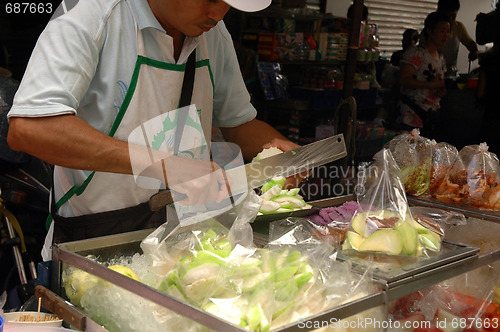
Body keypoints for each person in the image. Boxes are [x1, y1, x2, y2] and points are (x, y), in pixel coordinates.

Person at [6, 0, 303, 260]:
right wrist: (167, 167)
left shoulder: (214, 34)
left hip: (186, 241)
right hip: (93, 239)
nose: (218, 12)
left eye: (228, 2)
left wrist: (274, 147)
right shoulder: (93, 13)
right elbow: (32, 128)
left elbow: (238, 124)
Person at [397, 11, 450, 138]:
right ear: (429, 31)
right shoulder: (416, 54)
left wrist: (441, 90)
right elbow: (403, 80)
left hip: (431, 115)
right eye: (442, 31)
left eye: (448, 31)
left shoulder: (440, 57)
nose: (446, 35)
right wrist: (430, 85)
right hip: (412, 114)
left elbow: (439, 84)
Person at [436, 0, 478, 76]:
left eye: (454, 16)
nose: (451, 19)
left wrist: (474, 50)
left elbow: (470, 43)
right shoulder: (431, 28)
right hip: (432, 74)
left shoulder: (458, 27)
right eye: (448, 16)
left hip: (451, 74)